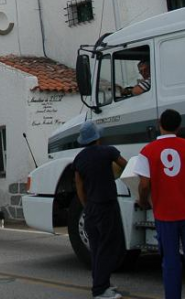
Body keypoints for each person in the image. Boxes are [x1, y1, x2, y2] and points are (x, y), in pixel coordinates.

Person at [133, 109, 185, 299]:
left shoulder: (147, 151)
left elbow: (144, 185)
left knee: (170, 261)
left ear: (160, 124)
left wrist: (143, 201)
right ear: (179, 126)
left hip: (165, 215)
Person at [73, 121, 128, 299]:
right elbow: (126, 165)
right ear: (97, 138)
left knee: (97, 249)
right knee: (109, 247)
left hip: (91, 208)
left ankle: (102, 283)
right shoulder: (108, 151)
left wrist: (86, 205)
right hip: (107, 205)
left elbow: (79, 185)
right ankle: (100, 290)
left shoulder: (79, 159)